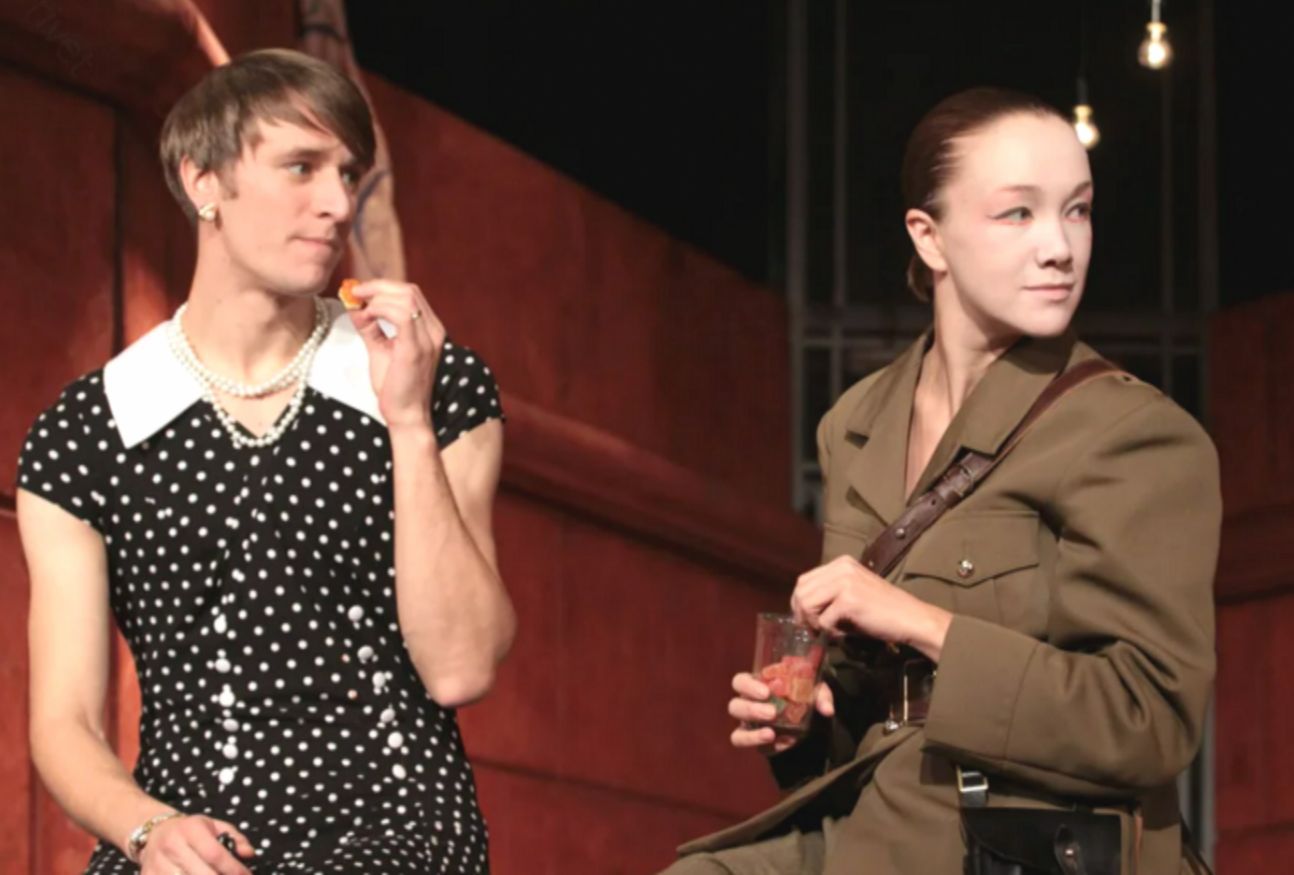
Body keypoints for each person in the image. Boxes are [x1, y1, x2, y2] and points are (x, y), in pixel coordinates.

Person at [664, 87, 1219, 875]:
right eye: (1018, 213)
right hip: (881, 824)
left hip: (1019, 842)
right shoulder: (857, 422)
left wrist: (922, 621)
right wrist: (804, 722)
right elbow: (874, 709)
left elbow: (1147, 721)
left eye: (1078, 210)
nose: (1061, 247)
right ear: (929, 238)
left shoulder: (1132, 433)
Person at [16, 48, 513, 874]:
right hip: (181, 838)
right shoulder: (88, 434)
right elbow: (63, 722)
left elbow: (461, 667)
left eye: (348, 173)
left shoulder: (435, 381)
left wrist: (407, 421)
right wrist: (147, 828)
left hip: (395, 834)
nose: (338, 203)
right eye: (301, 167)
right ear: (203, 181)